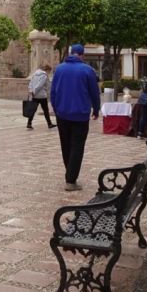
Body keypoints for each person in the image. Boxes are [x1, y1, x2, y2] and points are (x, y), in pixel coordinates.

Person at [50, 44, 100, 191]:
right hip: (80, 114)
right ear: (82, 55)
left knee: (65, 145)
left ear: (71, 53)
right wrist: (96, 109)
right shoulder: (87, 70)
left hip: (62, 113)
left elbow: (53, 92)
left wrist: (56, 108)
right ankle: (71, 180)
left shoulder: (59, 69)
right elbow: (94, 93)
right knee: (77, 146)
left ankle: (70, 174)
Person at [27, 63, 55, 129]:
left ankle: (29, 123)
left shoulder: (34, 74)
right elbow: (40, 85)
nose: (49, 73)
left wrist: (31, 91)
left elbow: (31, 83)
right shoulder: (44, 75)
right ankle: (49, 124)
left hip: (34, 96)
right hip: (42, 96)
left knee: (33, 110)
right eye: (49, 71)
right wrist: (35, 91)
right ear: (47, 69)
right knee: (46, 111)